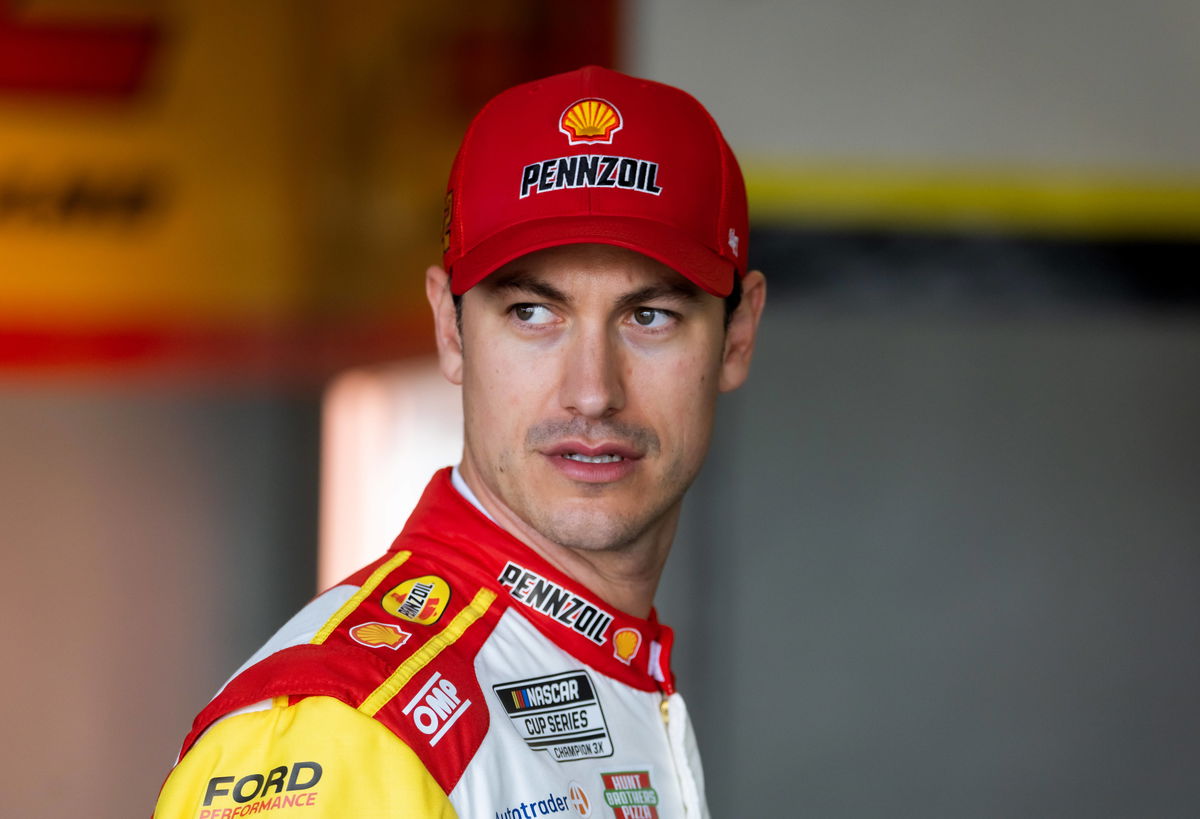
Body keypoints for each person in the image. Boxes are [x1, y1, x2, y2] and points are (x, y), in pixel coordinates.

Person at [154, 65, 766, 819]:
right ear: (450, 329)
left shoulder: (614, 668)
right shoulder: (346, 734)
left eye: (650, 317)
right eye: (532, 314)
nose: (592, 391)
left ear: (738, 334)